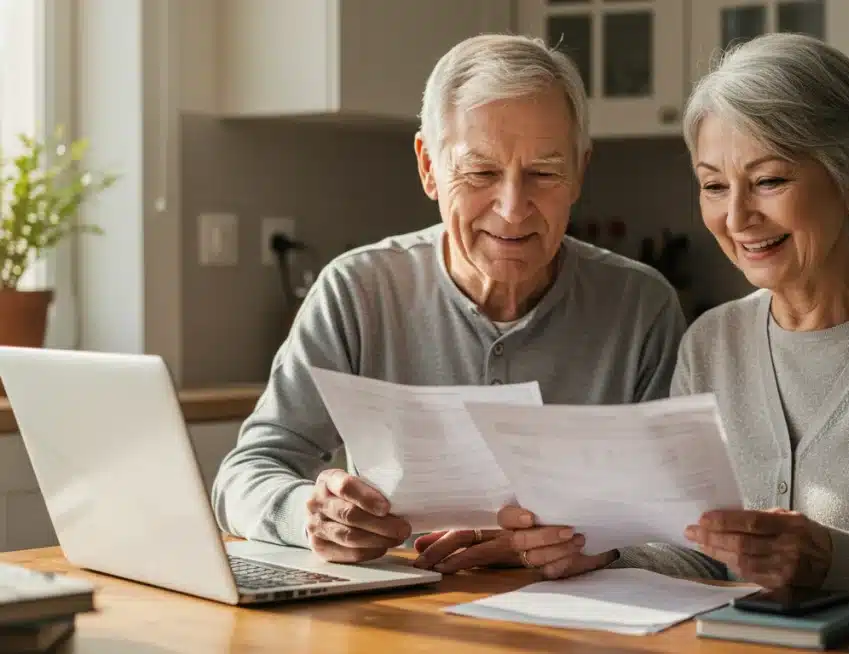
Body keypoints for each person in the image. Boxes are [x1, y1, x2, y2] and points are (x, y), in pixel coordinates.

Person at [500, 33, 849, 612]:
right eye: (714, 186)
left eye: (770, 180)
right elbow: (699, 552)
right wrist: (604, 554)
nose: (738, 216)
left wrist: (829, 557)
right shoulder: (710, 342)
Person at [210, 33, 688, 573]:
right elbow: (245, 474)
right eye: (481, 172)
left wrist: (591, 544)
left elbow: (682, 528)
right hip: (393, 619)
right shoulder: (356, 292)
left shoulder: (642, 307)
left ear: (579, 170)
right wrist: (310, 516)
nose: (512, 209)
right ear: (428, 167)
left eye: (544, 172)